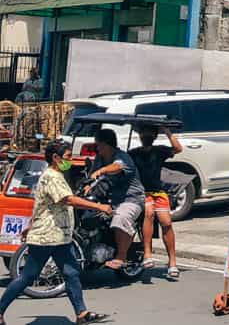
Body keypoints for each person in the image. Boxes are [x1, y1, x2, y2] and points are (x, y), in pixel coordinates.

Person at [0, 140, 111, 325]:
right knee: (28, 277)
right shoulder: (52, 176)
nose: (70, 161)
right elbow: (68, 199)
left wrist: (30, 224)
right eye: (67, 157)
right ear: (56, 158)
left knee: (72, 273)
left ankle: (81, 314)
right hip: (47, 237)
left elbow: (42, 205)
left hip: (59, 236)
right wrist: (99, 206)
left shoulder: (56, 175)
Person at [130, 125, 182, 278]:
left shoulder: (159, 151)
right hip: (142, 193)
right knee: (149, 214)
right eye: (143, 132)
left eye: (149, 133)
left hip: (158, 192)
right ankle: (147, 253)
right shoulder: (134, 153)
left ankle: (172, 261)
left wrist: (167, 132)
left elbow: (178, 148)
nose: (146, 135)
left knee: (166, 222)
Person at [89, 128, 145, 271]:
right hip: (108, 199)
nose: (97, 148)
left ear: (106, 144)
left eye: (98, 144)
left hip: (131, 199)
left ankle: (121, 257)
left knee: (120, 218)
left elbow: (117, 167)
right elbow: (91, 178)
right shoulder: (99, 159)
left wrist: (102, 170)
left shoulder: (122, 157)